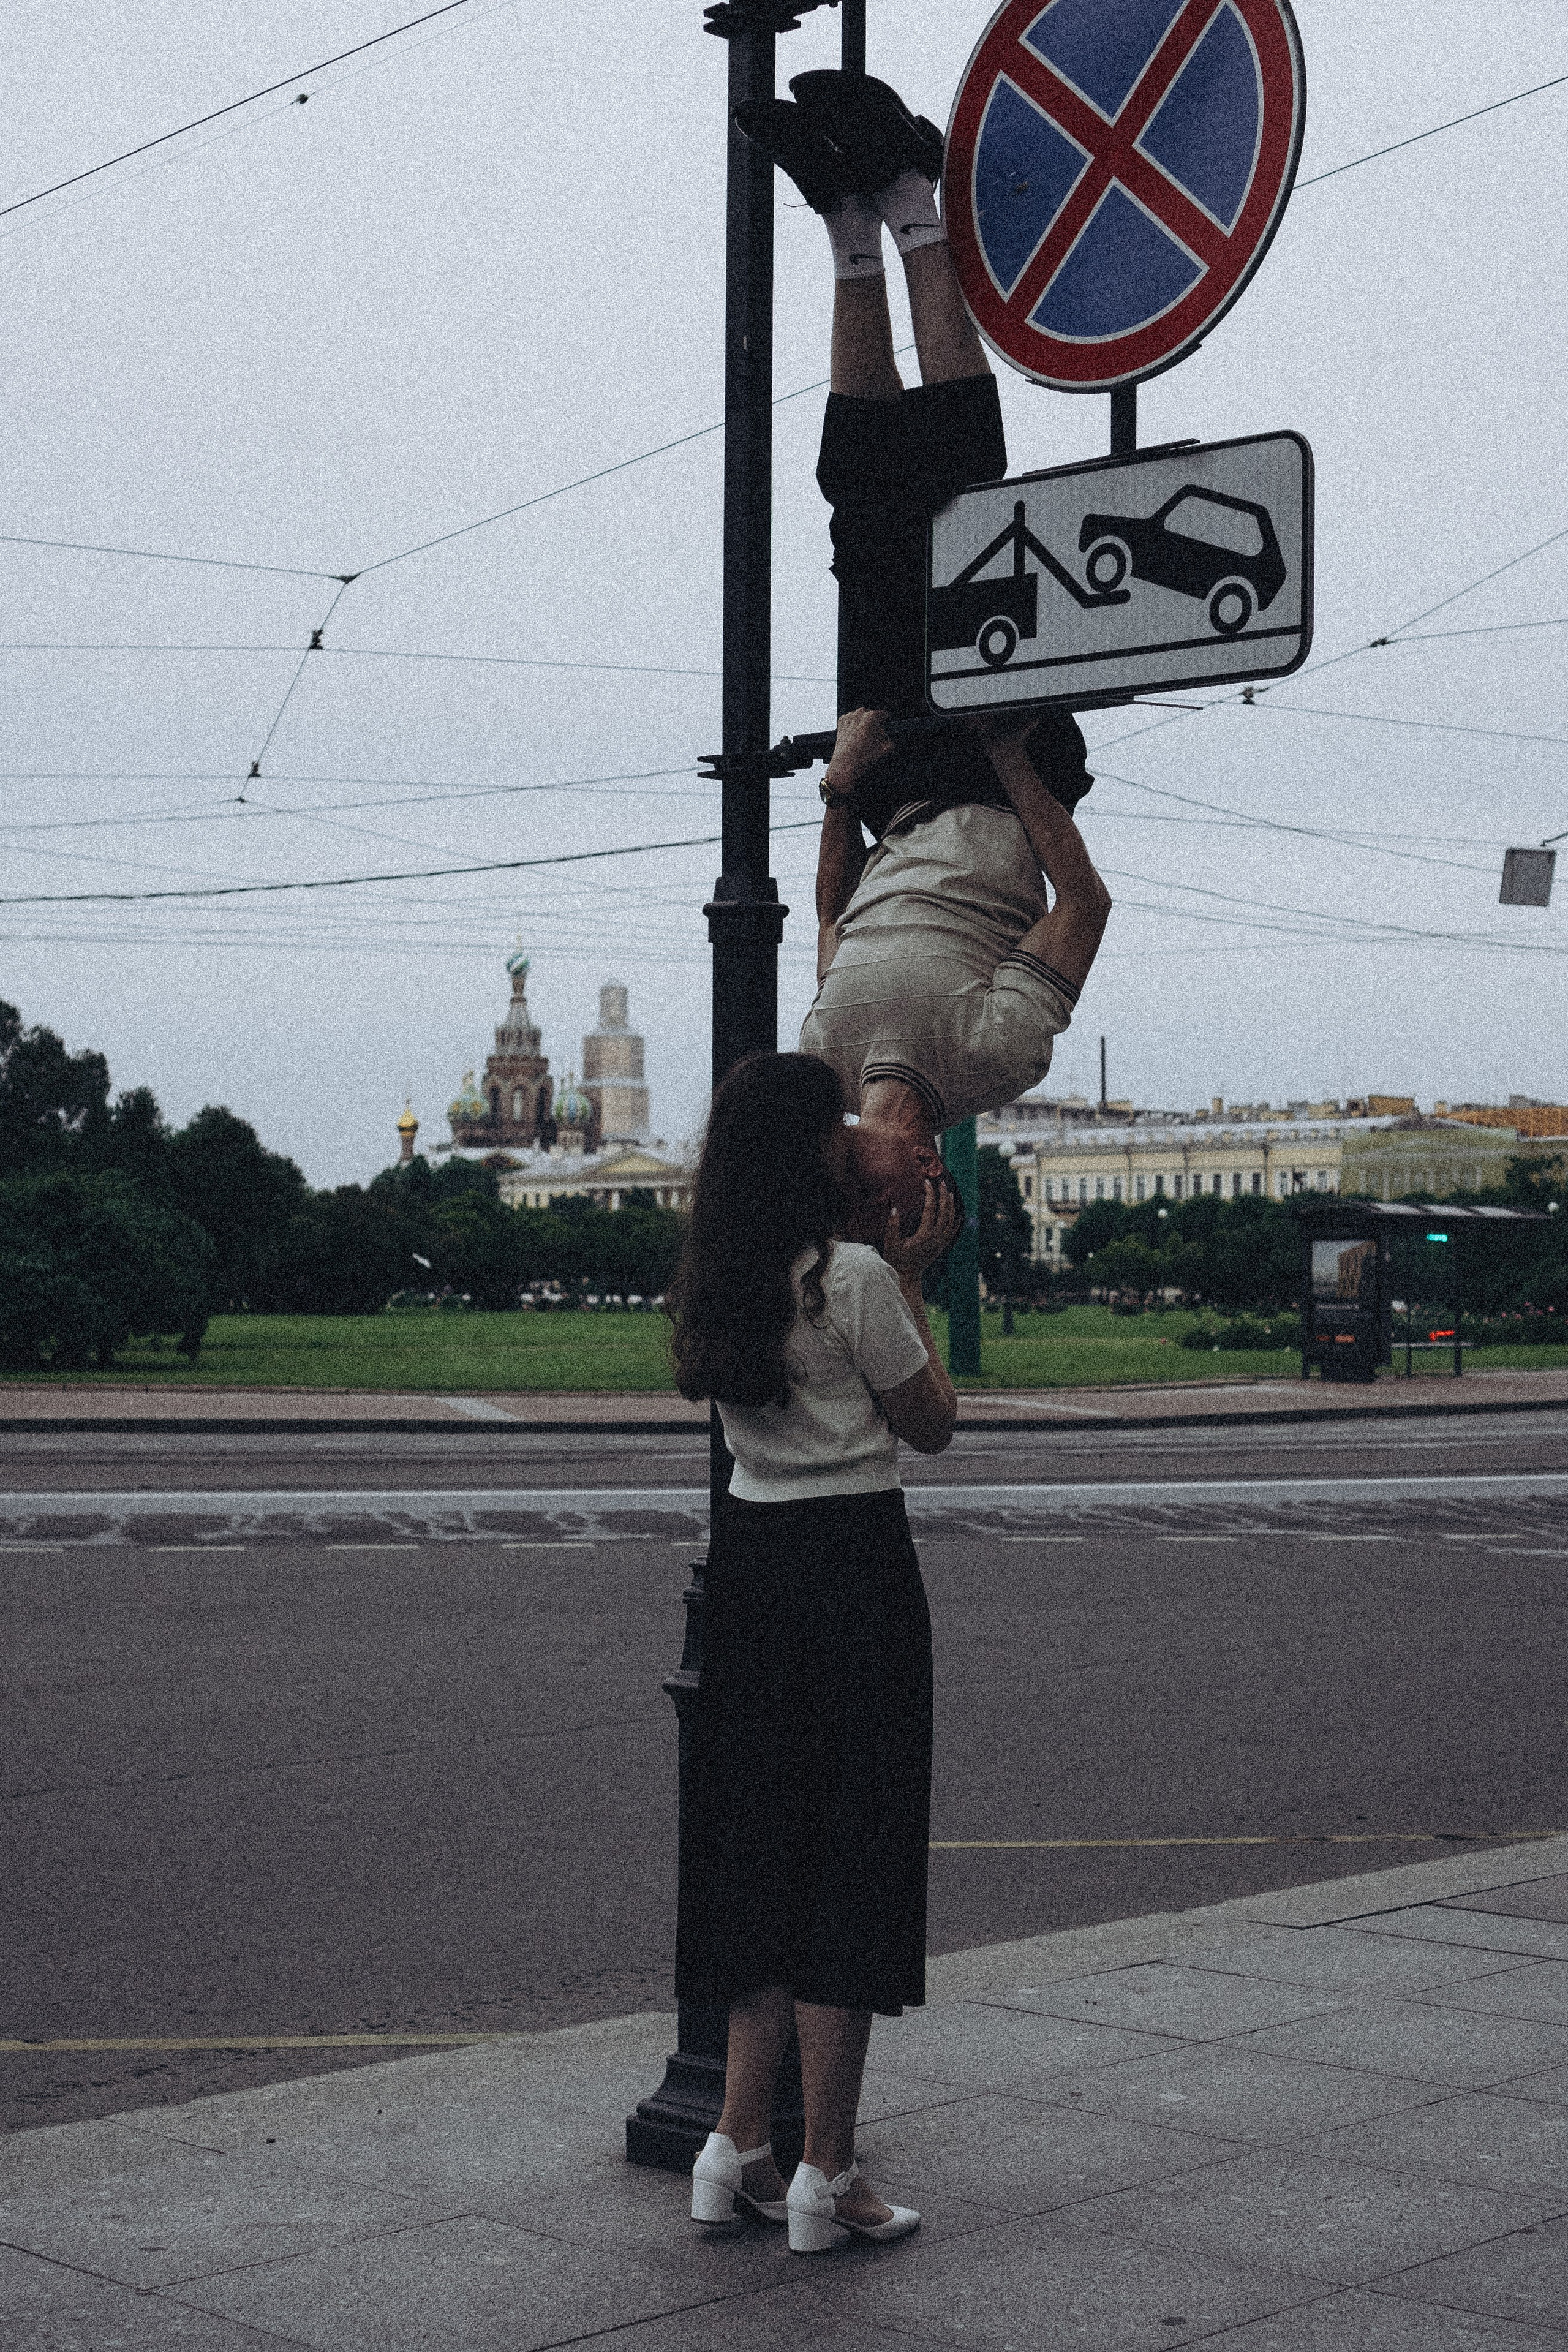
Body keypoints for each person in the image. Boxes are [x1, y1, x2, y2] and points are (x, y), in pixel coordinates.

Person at [734, 73, 1113, 1202]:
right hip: (1005, 776)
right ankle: (912, 198)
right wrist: (1008, 745)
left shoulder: (823, 1065)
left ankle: (848, 231)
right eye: (910, 1177)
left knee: (857, 505)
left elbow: (834, 916)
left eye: (878, 1173)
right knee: (959, 493)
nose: (904, 1166)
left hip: (892, 778)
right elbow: (1084, 909)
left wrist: (842, 790)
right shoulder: (993, 1067)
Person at [670, 1051, 960, 2255]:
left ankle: (730, 2144)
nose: (856, 1130)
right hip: (851, 1566)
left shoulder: (718, 1279)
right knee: (855, 1850)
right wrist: (909, 1272)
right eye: (839, 1118)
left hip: (748, 1570)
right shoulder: (846, 1279)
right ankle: (826, 2173)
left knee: (759, 1850)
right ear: (809, 1148)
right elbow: (933, 1424)